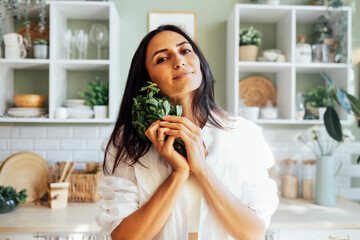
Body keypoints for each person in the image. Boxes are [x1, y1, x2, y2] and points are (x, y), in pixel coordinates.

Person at [96, 24, 278, 240]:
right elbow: (124, 238)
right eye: (162, 59)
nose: (179, 61)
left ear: (199, 61)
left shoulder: (243, 134)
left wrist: (201, 168)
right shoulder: (127, 142)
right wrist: (178, 173)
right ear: (148, 80)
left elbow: (252, 233)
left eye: (185, 51)